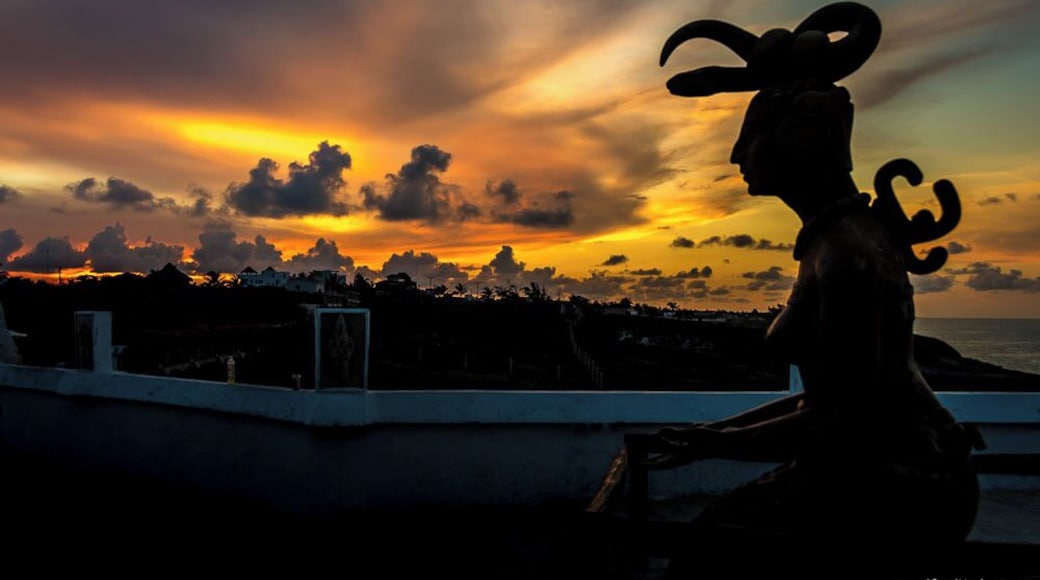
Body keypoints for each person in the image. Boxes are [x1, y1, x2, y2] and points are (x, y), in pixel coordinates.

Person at [653, 3, 984, 575]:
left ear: (802, 139)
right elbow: (828, 398)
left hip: (899, 483)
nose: (737, 154)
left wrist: (716, 446)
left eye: (749, 136)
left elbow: (847, 416)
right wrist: (715, 431)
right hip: (877, 464)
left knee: (707, 555)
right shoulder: (837, 240)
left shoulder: (846, 254)